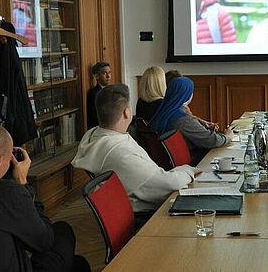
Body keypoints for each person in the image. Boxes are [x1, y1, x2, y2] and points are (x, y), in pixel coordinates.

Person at [0, 121, 90, 272]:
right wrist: (22, 183)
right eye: (10, 158)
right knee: (62, 231)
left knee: (76, 264)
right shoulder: (4, 193)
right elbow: (44, 240)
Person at [72, 84, 199, 228]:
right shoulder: (121, 152)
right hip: (148, 214)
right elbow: (170, 184)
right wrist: (188, 170)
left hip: (129, 202)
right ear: (127, 113)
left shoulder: (93, 134)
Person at [149, 76, 233, 165]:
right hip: (194, 162)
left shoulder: (162, 111)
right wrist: (227, 136)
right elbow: (212, 140)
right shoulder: (183, 120)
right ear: (187, 95)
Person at [86, 62, 111, 129]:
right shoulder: (93, 93)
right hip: (100, 129)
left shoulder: (111, 91)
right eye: (104, 73)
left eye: (109, 72)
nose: (108, 76)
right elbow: (96, 117)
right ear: (97, 76)